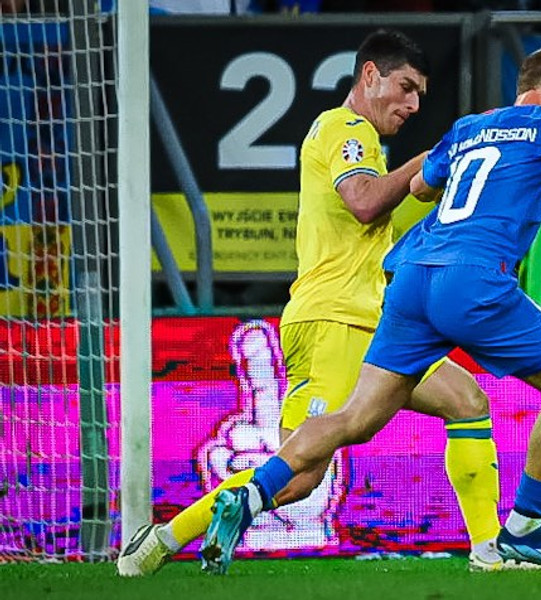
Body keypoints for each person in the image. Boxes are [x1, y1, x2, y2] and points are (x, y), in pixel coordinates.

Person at [197, 45, 541, 572]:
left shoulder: (468, 129)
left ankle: (250, 495)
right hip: (474, 280)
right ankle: (524, 527)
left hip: (411, 279)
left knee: (355, 419)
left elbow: (420, 186)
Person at [118, 29, 508, 576]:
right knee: (300, 473)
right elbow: (365, 202)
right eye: (405, 87)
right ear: (369, 76)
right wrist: (432, 157)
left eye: (420, 94)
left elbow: (381, 216)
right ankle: (161, 539)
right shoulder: (345, 129)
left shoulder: (365, 147)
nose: (413, 104)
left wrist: (440, 177)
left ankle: (489, 552)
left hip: (372, 321)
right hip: (334, 320)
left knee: (466, 401)